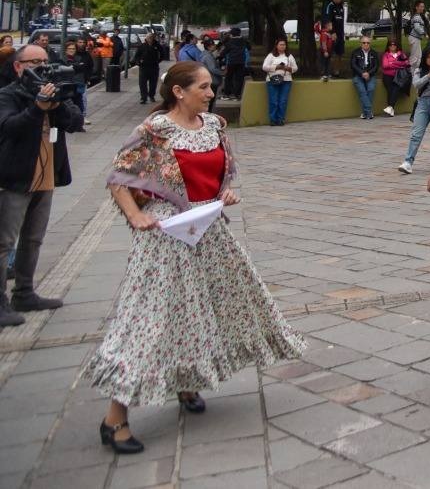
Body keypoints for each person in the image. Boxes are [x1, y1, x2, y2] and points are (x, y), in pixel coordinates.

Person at [86, 61, 302, 454]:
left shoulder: (215, 127)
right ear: (178, 92)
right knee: (151, 321)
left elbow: (221, 177)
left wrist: (224, 197)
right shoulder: (155, 130)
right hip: (167, 235)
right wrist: (137, 216)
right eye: (202, 87)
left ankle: (187, 383)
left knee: (206, 309)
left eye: (210, 86)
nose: (210, 92)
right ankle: (114, 417)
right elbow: (119, 176)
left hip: (209, 228)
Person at [0, 44, 82, 328]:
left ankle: (24, 292)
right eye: (35, 62)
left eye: (45, 61)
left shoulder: (54, 90)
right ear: (18, 66)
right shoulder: (8, 95)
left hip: (45, 177)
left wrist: (57, 105)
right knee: (4, 242)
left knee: (33, 239)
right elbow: (8, 127)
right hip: (14, 178)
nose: (42, 67)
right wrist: (37, 108)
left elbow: (76, 122)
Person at [398, 50, 430, 173]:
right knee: (416, 133)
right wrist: (429, 75)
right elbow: (416, 84)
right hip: (422, 104)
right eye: (429, 57)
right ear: (425, 59)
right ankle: (408, 162)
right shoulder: (419, 71)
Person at [260, 39, 297, 127]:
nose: (282, 46)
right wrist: (276, 67)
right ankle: (273, 119)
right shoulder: (271, 56)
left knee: (283, 101)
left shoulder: (289, 56)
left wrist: (288, 68)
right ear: (276, 46)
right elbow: (264, 67)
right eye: (280, 45)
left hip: (286, 80)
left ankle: (281, 119)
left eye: (284, 45)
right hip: (273, 80)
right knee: (273, 101)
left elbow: (295, 68)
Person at [349, 34, 380, 120]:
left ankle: (364, 113)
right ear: (360, 43)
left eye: (368, 43)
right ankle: (369, 112)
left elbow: (376, 66)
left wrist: (368, 73)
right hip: (358, 75)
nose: (366, 44)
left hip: (371, 75)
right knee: (362, 91)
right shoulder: (355, 52)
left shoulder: (374, 53)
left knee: (371, 89)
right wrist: (362, 73)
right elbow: (353, 65)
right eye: (364, 42)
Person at [380, 38, 409, 117]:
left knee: (395, 89)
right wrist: (399, 64)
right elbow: (385, 65)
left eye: (394, 45)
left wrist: (393, 63)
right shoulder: (386, 54)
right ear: (388, 46)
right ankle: (391, 109)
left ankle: (390, 108)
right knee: (390, 90)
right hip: (387, 76)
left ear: (397, 46)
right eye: (391, 45)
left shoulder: (401, 54)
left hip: (399, 76)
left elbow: (406, 63)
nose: (392, 46)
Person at [132, 32, 164, 105]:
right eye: (148, 37)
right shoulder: (142, 46)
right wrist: (139, 62)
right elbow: (136, 56)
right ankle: (143, 97)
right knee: (142, 83)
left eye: (151, 37)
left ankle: (151, 96)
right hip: (144, 67)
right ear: (146, 38)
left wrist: (157, 61)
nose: (150, 38)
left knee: (153, 83)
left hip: (154, 67)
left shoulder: (157, 46)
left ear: (153, 38)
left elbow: (162, 54)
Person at [221, 28, 248, 100]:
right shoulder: (244, 41)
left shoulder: (230, 42)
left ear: (232, 34)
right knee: (239, 78)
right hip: (241, 62)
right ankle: (237, 94)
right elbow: (249, 47)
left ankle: (227, 94)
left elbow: (224, 52)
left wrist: (220, 57)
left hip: (232, 62)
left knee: (229, 77)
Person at [323, 0, 347, 72]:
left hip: (340, 33)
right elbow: (327, 20)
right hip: (332, 33)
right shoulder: (330, 6)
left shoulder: (341, 7)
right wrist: (332, 32)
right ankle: (327, 70)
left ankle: (337, 70)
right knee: (330, 52)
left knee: (339, 52)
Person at [406, 1, 430, 73]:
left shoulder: (418, 16)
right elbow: (417, 27)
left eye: (423, 6)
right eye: (421, 6)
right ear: (416, 7)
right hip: (414, 38)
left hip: (416, 38)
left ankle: (414, 74)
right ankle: (411, 75)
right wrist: (424, 34)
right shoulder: (417, 16)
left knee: (418, 57)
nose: (422, 8)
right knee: (415, 57)